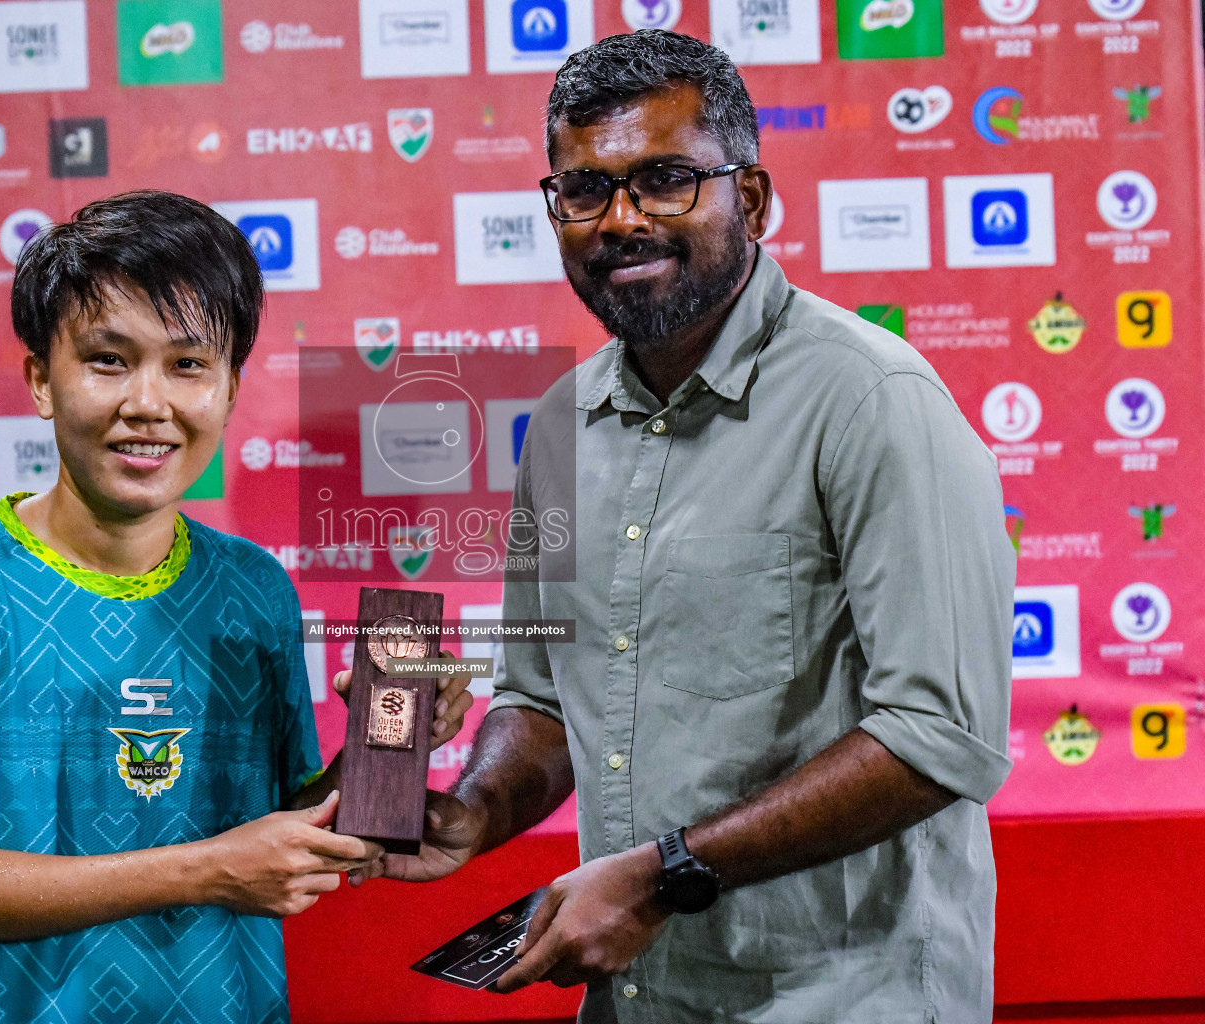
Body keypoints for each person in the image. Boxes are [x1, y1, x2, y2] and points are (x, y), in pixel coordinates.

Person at [353, 31, 1015, 1023]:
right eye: (585, 190)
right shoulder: (564, 426)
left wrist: (663, 875)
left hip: (842, 1000)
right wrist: (472, 809)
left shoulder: (873, 399)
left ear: (747, 198)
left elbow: (940, 737)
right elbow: (541, 697)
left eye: (665, 181)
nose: (621, 220)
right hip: (643, 999)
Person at [0, 190, 473, 1024]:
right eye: (107, 359)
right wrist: (207, 869)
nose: (149, 404)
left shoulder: (253, 588)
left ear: (231, 386)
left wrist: (380, 754)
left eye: (188, 364)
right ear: (39, 379)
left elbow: (274, 835)